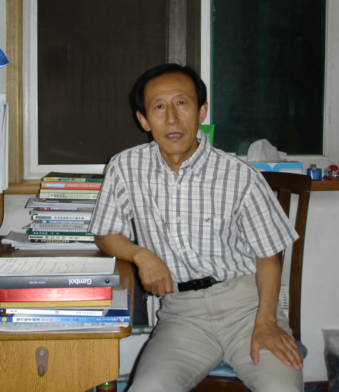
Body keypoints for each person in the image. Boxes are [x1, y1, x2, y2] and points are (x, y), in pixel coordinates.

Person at [89, 64, 304, 391]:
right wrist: (140, 255)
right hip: (182, 316)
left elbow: (268, 258)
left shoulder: (239, 176)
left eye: (182, 103)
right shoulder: (126, 167)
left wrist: (266, 322)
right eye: (158, 107)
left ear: (201, 111)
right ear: (143, 120)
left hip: (247, 308)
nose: (172, 119)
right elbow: (105, 233)